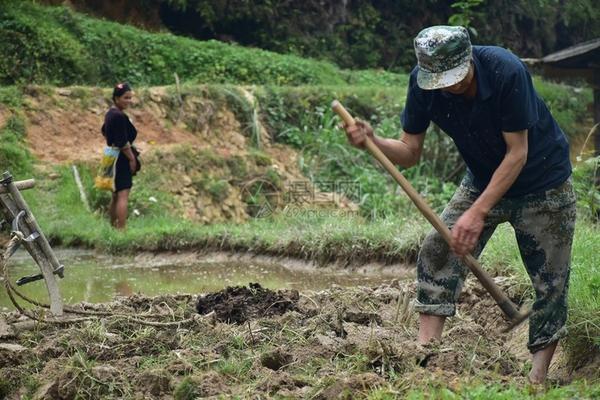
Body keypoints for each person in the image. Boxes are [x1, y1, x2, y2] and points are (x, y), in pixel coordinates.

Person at [343, 26, 575, 384]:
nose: (447, 86)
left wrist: (477, 212)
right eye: (438, 80)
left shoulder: (505, 70)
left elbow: (517, 154)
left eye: (454, 77)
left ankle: (538, 378)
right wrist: (372, 141)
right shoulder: (423, 85)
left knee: (551, 281)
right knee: (439, 247)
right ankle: (426, 356)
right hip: (483, 177)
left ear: (469, 58)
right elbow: (409, 153)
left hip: (544, 182)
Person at [102, 82, 139, 230]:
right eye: (125, 98)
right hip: (121, 158)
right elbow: (123, 142)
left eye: (130, 98)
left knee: (115, 194)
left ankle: (113, 228)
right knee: (123, 194)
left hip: (110, 155)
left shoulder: (110, 114)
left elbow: (104, 130)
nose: (129, 101)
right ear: (116, 98)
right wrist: (132, 158)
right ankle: (121, 230)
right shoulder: (119, 116)